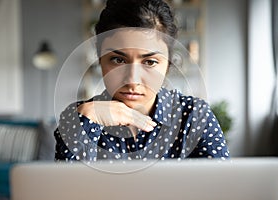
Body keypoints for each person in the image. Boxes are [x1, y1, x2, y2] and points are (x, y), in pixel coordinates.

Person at [54, 0, 230, 162]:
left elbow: (222, 190)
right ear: (100, 59)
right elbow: (67, 191)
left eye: (150, 62)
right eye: (118, 60)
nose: (132, 80)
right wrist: (87, 118)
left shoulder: (195, 116)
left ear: (168, 65)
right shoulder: (79, 117)